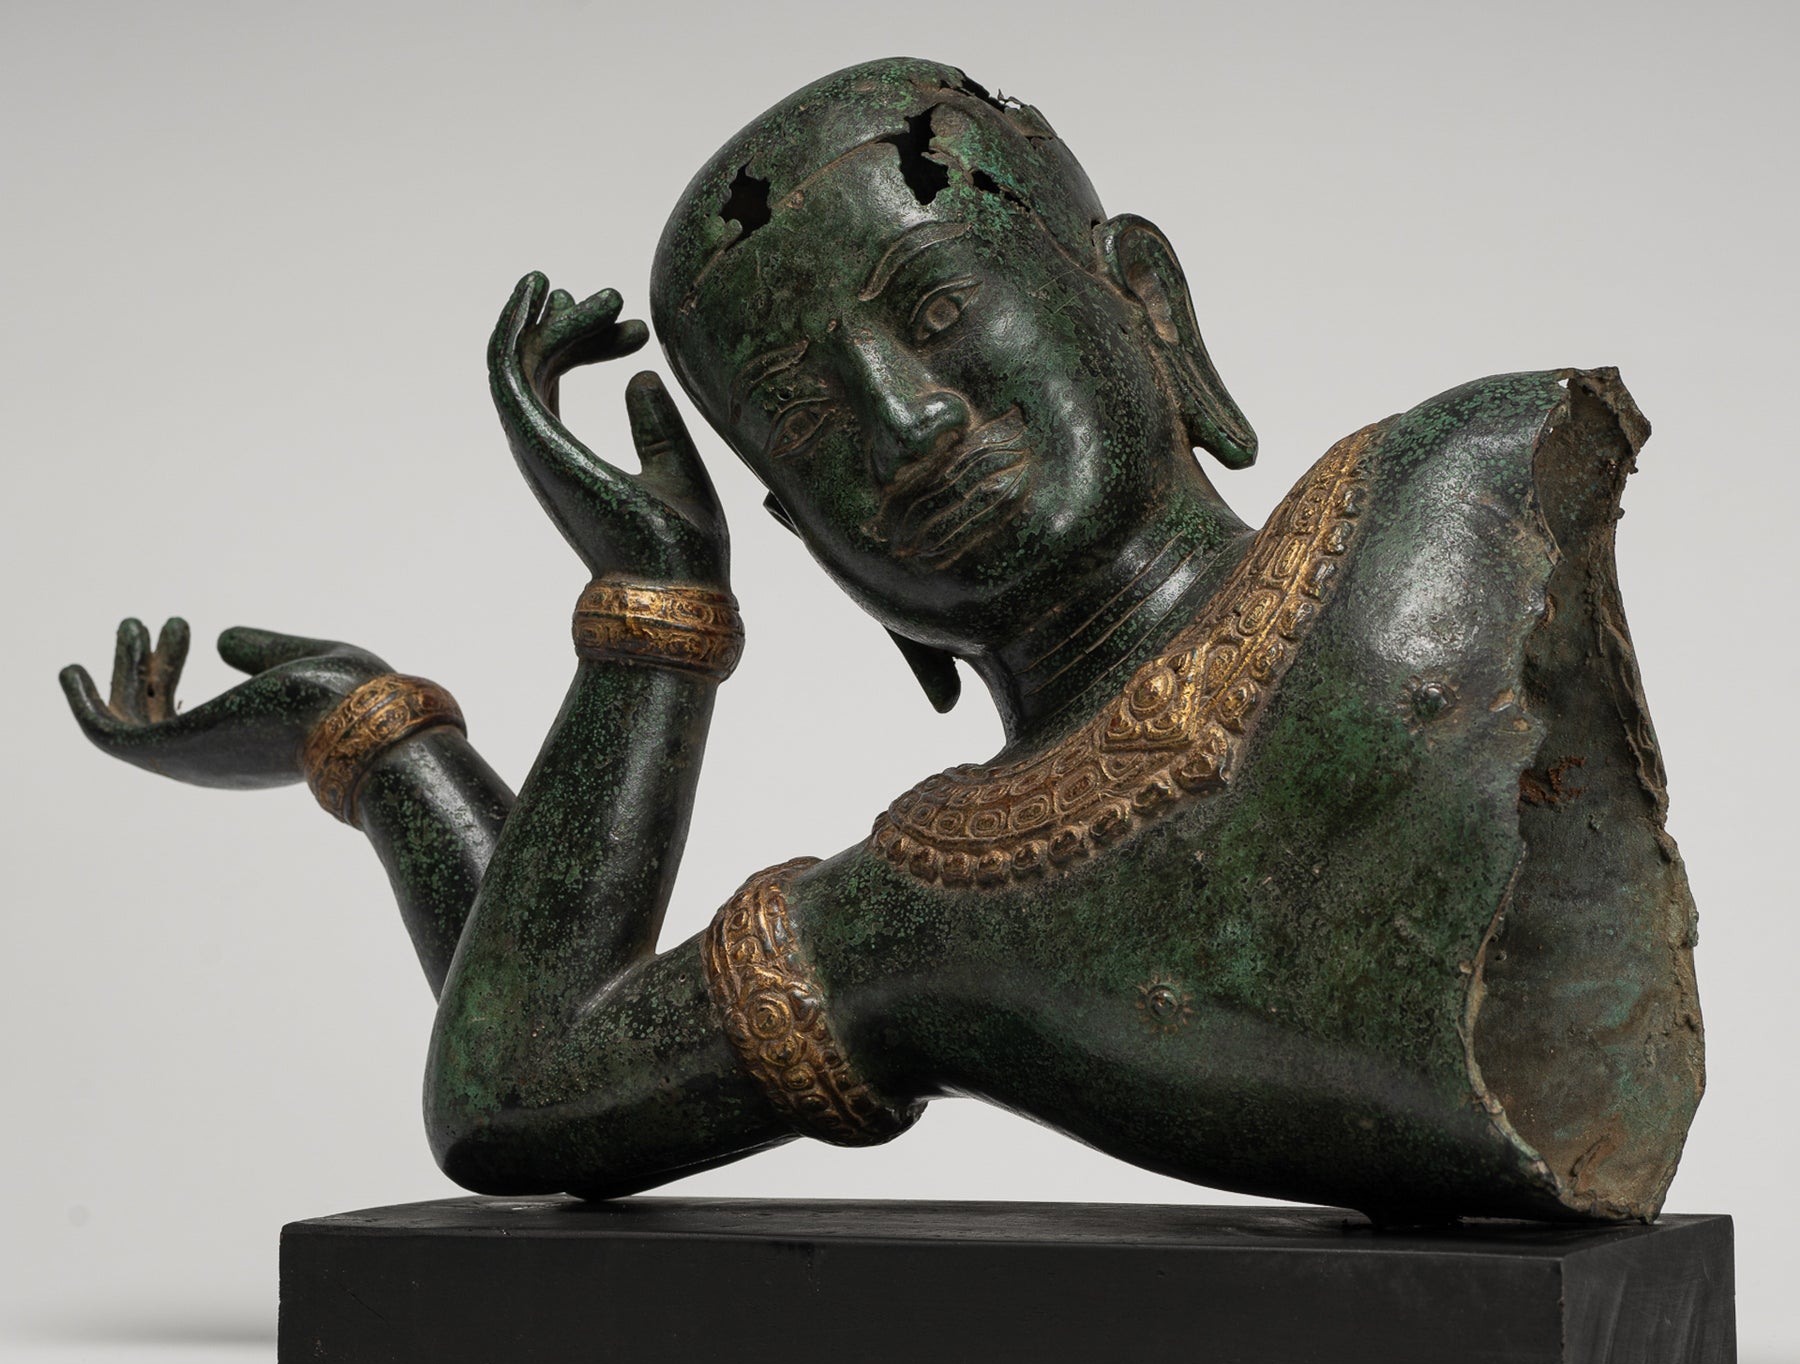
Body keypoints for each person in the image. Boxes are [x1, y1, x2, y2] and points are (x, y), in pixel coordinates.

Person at [60, 58, 1702, 1225]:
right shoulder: (924, 910)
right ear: (808, 542)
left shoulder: (1463, 489)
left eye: (936, 310)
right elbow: (518, 1086)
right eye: (799, 411)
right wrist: (456, 703)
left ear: (1148, 306)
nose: (904, 424)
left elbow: (521, 1064)